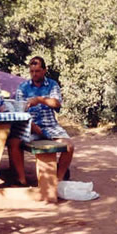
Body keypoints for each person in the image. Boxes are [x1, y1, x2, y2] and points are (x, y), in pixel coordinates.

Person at [7, 56, 74, 185]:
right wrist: (32, 126)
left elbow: (57, 103)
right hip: (29, 126)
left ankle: (59, 178)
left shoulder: (52, 85)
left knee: (69, 146)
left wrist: (39, 100)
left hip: (50, 126)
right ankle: (21, 179)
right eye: (32, 71)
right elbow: (19, 112)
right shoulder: (23, 87)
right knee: (13, 142)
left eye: (37, 71)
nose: (34, 74)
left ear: (44, 70)